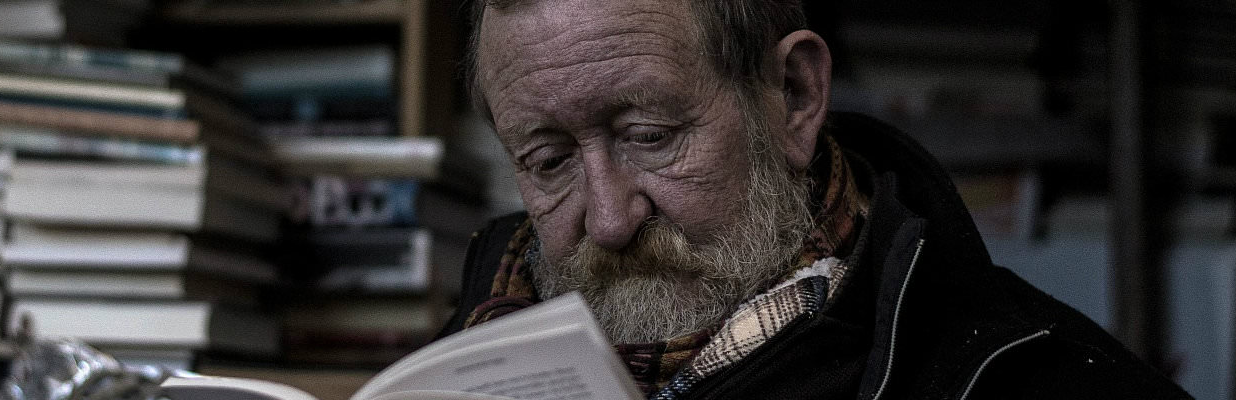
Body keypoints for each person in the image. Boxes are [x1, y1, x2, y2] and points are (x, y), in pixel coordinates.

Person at [436, 0, 1192, 398]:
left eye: (650, 136)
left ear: (795, 97)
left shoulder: (1034, 379)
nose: (608, 220)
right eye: (549, 160)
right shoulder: (472, 334)